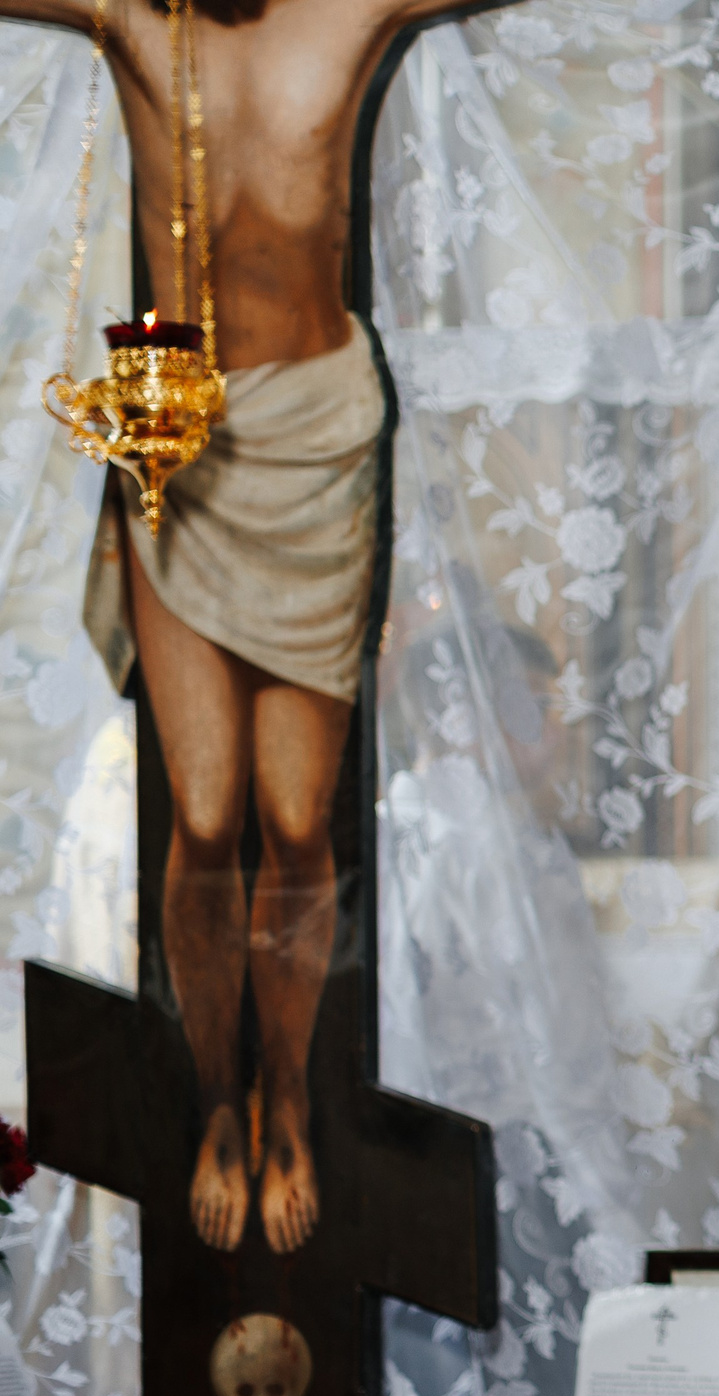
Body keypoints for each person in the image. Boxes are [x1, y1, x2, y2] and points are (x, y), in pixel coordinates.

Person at [11, 0, 495, 1254]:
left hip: (314, 444)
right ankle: (214, 1103)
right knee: (207, 815)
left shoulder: (350, 8)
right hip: (180, 444)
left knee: (293, 824)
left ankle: (288, 1092)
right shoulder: (127, 14)